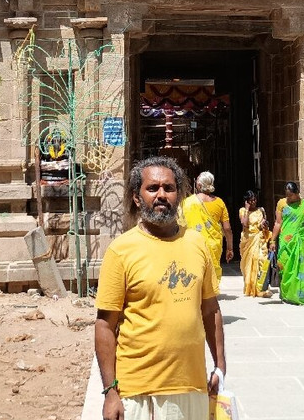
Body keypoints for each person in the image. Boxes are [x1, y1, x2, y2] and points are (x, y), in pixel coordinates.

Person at [95, 156, 226, 420]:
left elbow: (210, 309)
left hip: (192, 387)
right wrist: (110, 391)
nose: (161, 195)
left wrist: (220, 366)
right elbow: (104, 325)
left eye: (169, 188)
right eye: (152, 188)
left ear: (179, 195)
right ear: (136, 197)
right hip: (140, 393)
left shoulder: (197, 243)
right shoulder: (121, 250)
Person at [269, 181, 304, 305]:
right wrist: (272, 240)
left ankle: (299, 295)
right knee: (284, 267)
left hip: (301, 241)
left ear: (297, 193)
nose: (288, 198)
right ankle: (286, 294)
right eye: (287, 195)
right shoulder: (282, 204)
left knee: (303, 267)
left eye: (290, 195)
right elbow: (278, 223)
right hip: (286, 242)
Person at [180, 171, 233, 283]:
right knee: (211, 270)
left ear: (199, 185)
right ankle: (210, 292)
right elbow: (227, 228)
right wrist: (230, 248)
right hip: (213, 245)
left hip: (193, 244)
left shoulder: (187, 202)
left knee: (195, 269)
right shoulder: (219, 203)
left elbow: (180, 223)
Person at [239, 190, 271, 298]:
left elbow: (265, 225)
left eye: (254, 200)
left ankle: (261, 287)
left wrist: (264, 225)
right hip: (249, 241)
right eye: (251, 200)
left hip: (260, 240)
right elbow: (244, 224)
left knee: (262, 261)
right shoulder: (243, 211)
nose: (253, 202)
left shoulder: (260, 210)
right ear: (246, 201)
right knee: (248, 265)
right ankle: (251, 287)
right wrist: (247, 209)